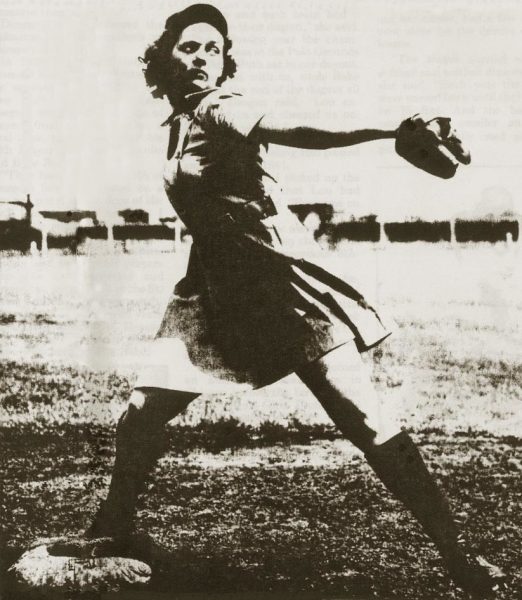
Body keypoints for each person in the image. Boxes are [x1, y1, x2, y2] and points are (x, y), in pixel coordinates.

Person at [85, 4, 505, 597]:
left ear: (226, 62)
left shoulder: (218, 107)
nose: (203, 56)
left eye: (214, 48)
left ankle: (459, 557)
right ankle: (115, 529)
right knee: (143, 412)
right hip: (212, 290)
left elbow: (300, 128)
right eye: (189, 47)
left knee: (366, 422)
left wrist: (387, 129)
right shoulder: (180, 123)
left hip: (280, 289)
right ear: (163, 58)